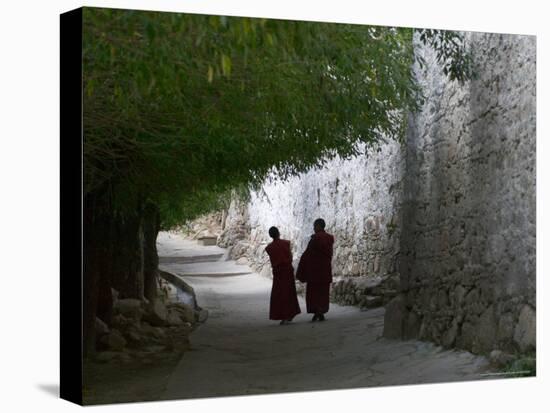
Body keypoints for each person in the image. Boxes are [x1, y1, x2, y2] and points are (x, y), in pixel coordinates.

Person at [296, 218, 334, 322]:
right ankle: (321, 311)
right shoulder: (329, 238)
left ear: (318, 226)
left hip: (315, 272)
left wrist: (301, 270)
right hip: (325, 270)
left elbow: (308, 254)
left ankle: (317, 311)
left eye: (314, 226)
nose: (313, 228)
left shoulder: (315, 239)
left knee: (314, 293)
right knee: (323, 292)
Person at [265, 226, 301, 325]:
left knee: (280, 294)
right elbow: (290, 256)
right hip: (288, 271)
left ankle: (284, 316)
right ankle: (289, 314)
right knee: (289, 293)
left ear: (270, 235)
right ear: (278, 233)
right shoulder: (286, 243)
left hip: (278, 273)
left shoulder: (269, 248)